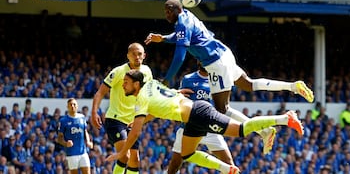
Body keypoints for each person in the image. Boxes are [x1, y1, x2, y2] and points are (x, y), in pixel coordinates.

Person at [144, 0, 303, 154]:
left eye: (168, 11)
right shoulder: (187, 15)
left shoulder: (182, 23)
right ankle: (291, 86)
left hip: (215, 64)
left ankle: (265, 131)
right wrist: (164, 38)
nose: (166, 14)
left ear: (177, 10)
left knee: (222, 109)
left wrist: (166, 80)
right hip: (224, 53)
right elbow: (182, 35)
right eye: (165, 11)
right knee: (248, 84)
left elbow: (179, 57)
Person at [105, 70, 304, 174]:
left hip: (199, 113)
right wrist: (177, 93)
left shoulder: (141, 99)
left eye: (126, 83)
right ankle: (227, 169)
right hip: (191, 119)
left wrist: (122, 152)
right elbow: (157, 109)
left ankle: (285, 118)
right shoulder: (153, 85)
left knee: (241, 130)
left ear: (136, 84)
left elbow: (136, 132)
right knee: (187, 154)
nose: (123, 85)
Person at [91, 42, 153, 174]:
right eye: (133, 54)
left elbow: (150, 94)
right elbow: (100, 92)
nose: (137, 57)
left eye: (140, 54)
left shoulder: (147, 72)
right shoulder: (119, 71)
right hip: (116, 119)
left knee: (135, 160)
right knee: (125, 156)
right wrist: (94, 112)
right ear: (128, 56)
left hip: (133, 121)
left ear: (144, 56)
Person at [168, 63, 234, 174]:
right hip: (189, 126)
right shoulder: (188, 79)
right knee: (175, 164)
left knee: (228, 163)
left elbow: (223, 105)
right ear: (198, 61)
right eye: (201, 60)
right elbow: (180, 100)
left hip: (211, 127)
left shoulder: (218, 80)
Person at [57, 98, 93, 174]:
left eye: (74, 104)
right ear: (67, 107)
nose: (72, 106)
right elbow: (59, 138)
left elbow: (85, 131)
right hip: (71, 154)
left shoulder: (82, 117)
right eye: (70, 105)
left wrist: (88, 141)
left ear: (77, 106)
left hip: (83, 152)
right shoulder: (63, 120)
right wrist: (66, 143)